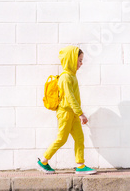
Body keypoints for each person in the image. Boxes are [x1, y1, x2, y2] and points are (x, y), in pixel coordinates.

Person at [37, 46, 96, 175]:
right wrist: (81, 114)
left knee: (79, 138)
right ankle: (43, 161)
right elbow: (70, 98)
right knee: (61, 139)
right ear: (71, 59)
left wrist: (78, 113)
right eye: (79, 60)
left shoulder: (72, 76)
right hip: (65, 114)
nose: (81, 63)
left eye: (82, 60)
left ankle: (80, 165)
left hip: (73, 113)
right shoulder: (65, 78)